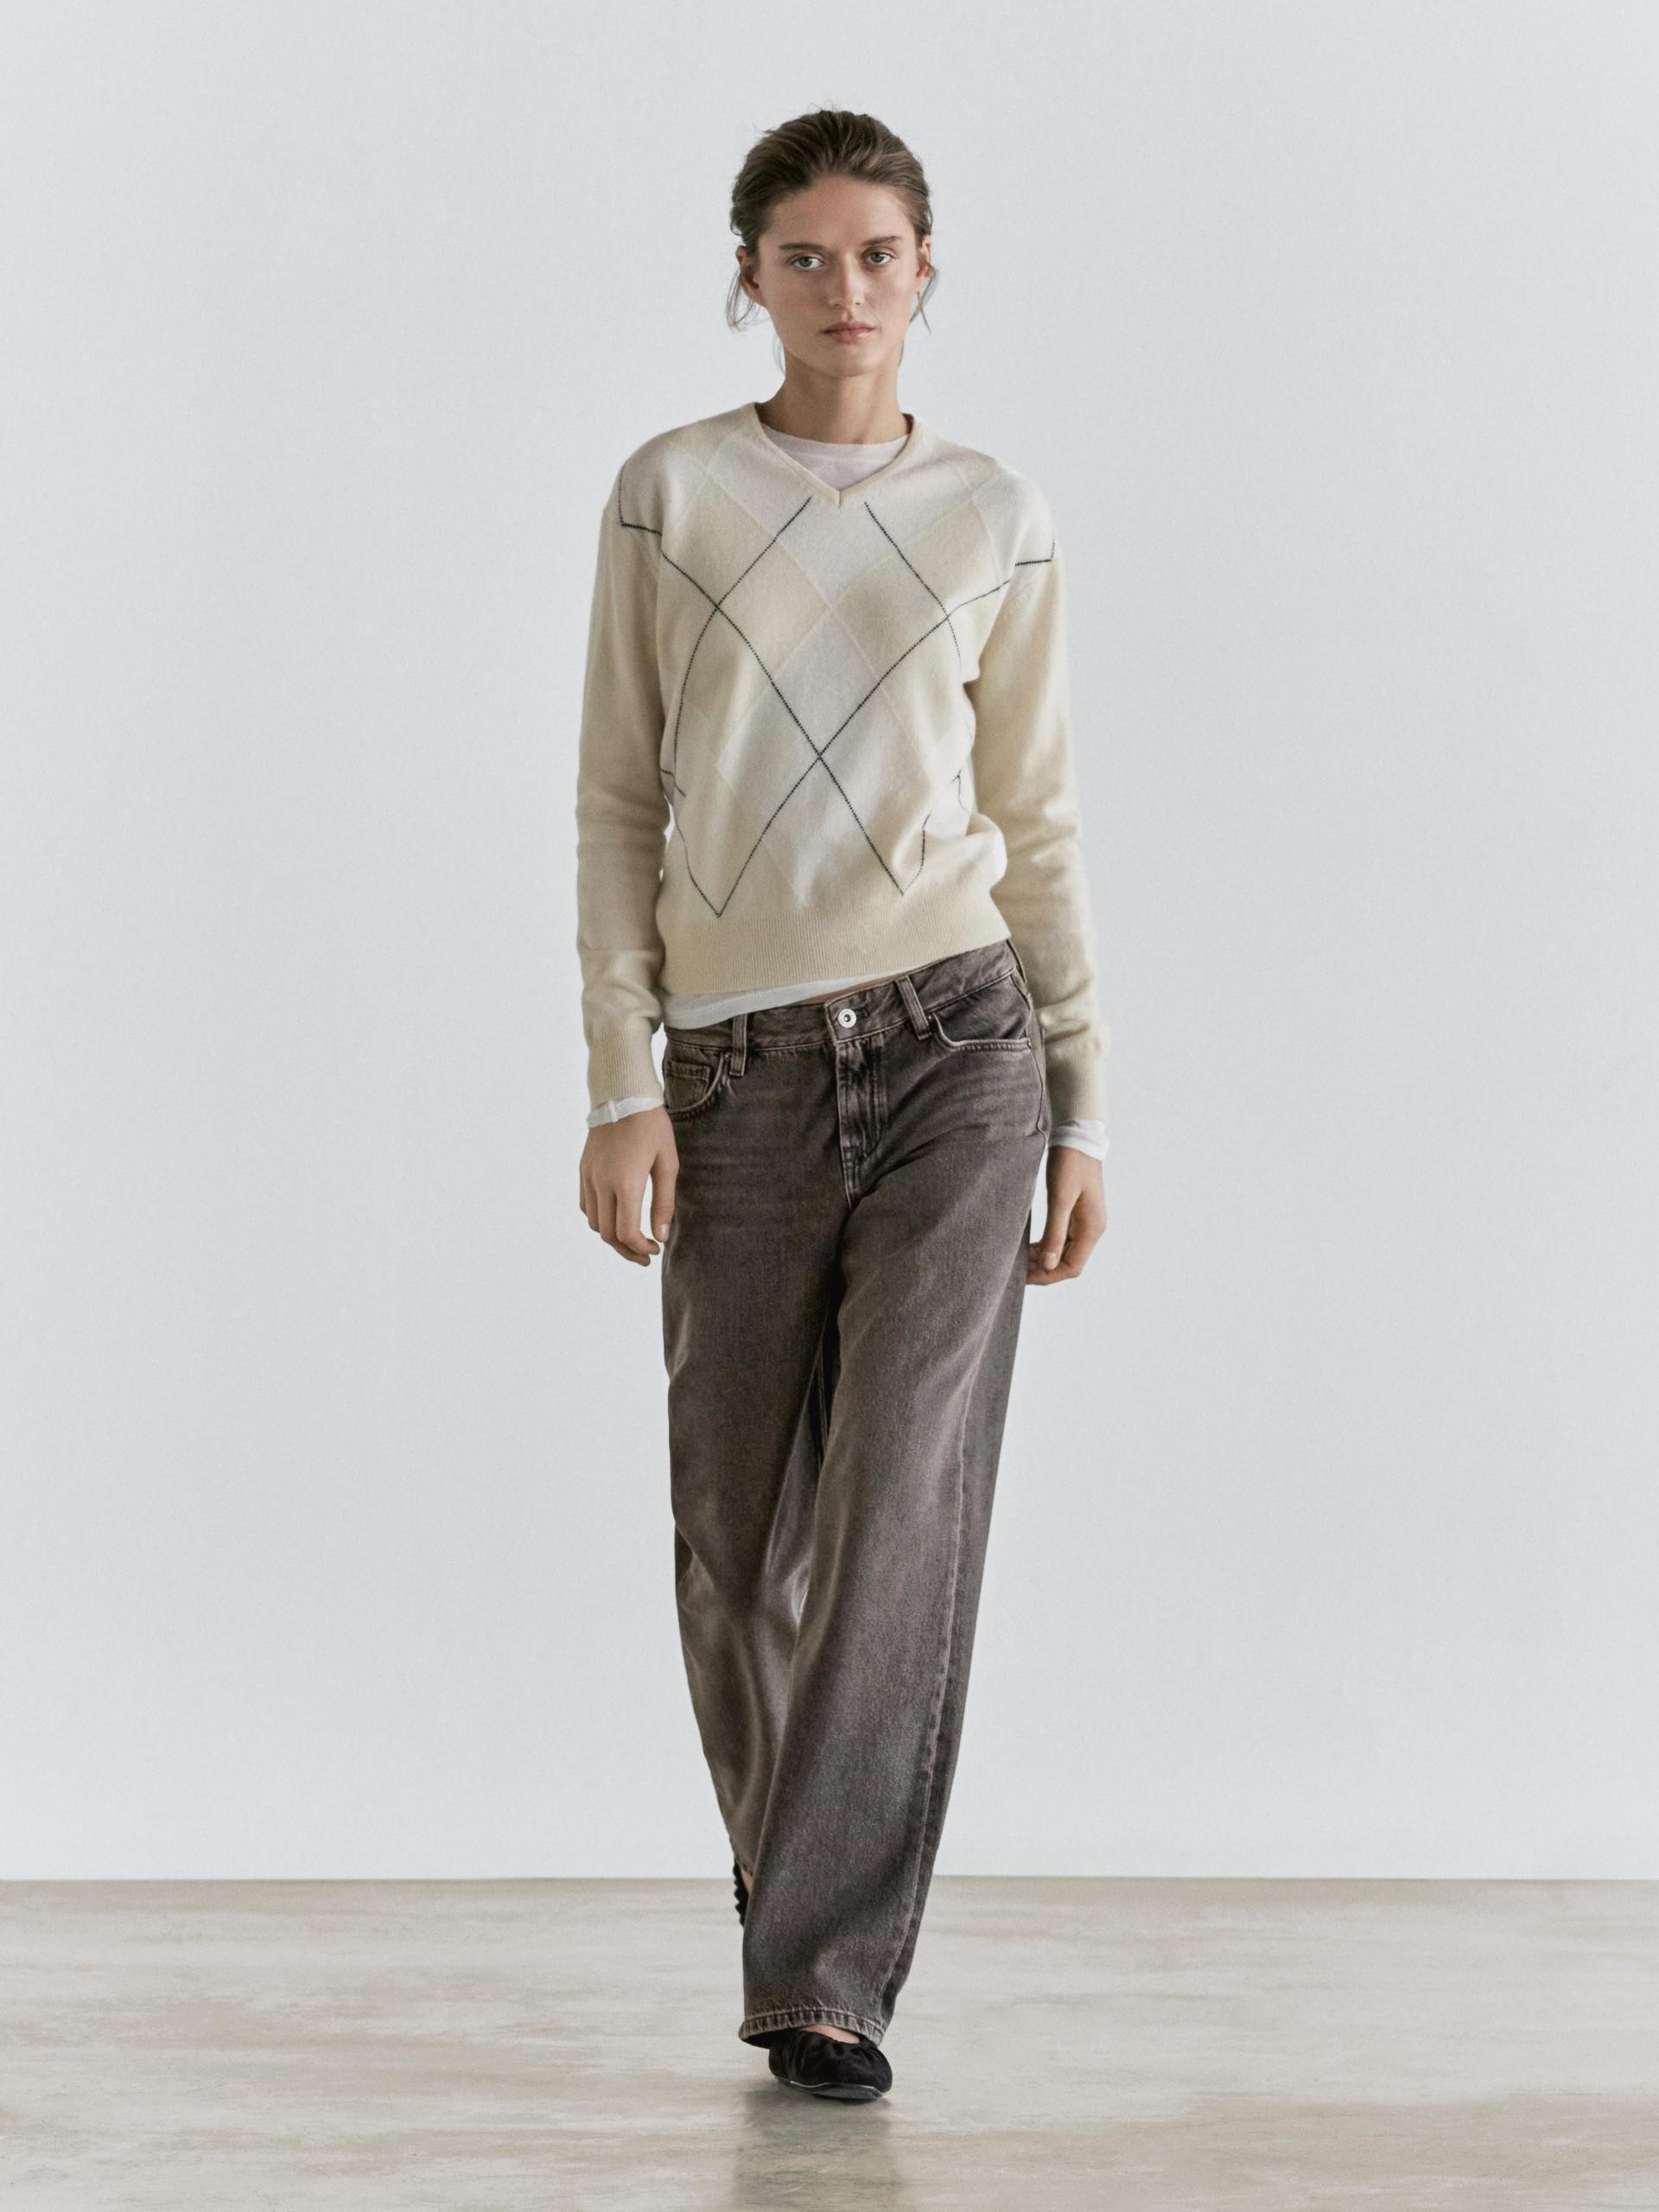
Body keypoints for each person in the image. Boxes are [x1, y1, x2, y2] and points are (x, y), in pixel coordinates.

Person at [575, 107, 1110, 2103]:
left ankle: (824, 1976)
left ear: (926, 269)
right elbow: (617, 798)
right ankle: (789, 1883)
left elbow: (1036, 816)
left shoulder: (995, 512)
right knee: (738, 1533)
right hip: (736, 1070)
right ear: (751, 276)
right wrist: (621, 1076)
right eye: (804, 255)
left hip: (963, 1048)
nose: (845, 288)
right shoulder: (672, 493)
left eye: (879, 252)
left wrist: (1083, 1102)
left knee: (899, 1507)